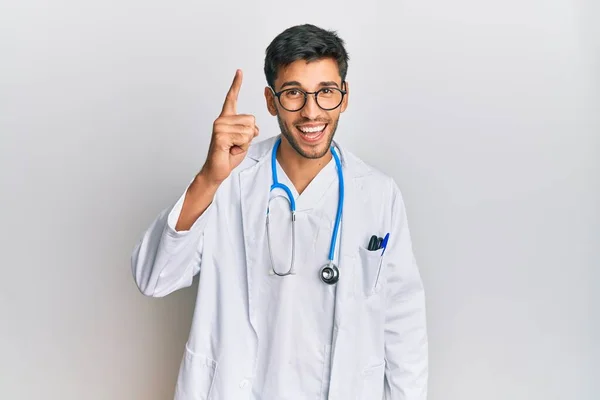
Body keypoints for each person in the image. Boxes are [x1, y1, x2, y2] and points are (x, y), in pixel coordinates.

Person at [131, 24, 428, 400]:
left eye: (325, 93)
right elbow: (153, 278)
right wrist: (209, 177)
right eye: (293, 94)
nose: (311, 112)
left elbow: (403, 323)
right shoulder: (229, 180)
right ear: (271, 101)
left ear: (345, 96)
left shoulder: (378, 193)